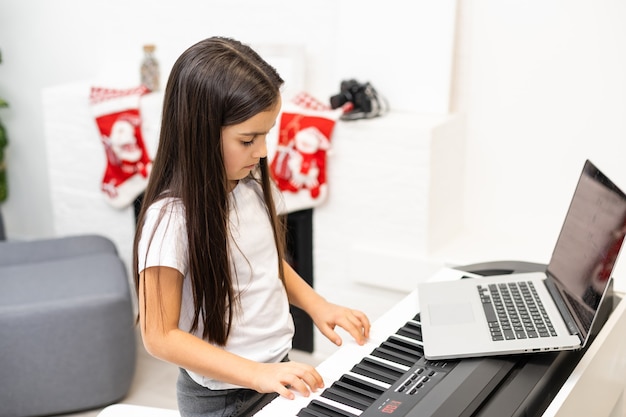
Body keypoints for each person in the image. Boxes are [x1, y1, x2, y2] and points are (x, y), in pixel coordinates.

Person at [132, 36, 371, 417]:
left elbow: (265, 264)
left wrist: (318, 305)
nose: (261, 151)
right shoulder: (171, 220)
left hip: (274, 370)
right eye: (248, 139)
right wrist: (257, 375)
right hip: (224, 399)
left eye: (266, 134)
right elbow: (159, 337)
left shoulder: (251, 185)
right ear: (200, 132)